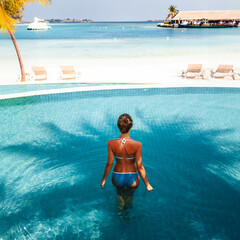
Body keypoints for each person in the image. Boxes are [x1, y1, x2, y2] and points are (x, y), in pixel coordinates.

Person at [100, 113, 153, 193]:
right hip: (132, 177)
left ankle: (120, 202)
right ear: (131, 126)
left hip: (117, 176)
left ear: (118, 126)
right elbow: (140, 167)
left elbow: (109, 164)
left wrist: (103, 180)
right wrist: (147, 184)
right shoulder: (138, 145)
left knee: (119, 196)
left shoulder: (111, 143)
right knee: (130, 198)